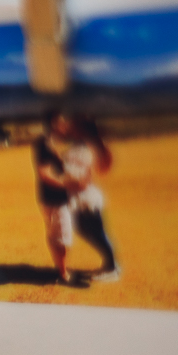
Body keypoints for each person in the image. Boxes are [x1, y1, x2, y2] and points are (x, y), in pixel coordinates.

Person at [64, 115, 120, 281]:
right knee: (84, 229)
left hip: (86, 196)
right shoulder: (80, 145)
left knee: (97, 232)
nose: (70, 130)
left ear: (82, 129)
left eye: (74, 127)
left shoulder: (86, 147)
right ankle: (110, 265)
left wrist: (65, 179)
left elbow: (86, 174)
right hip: (79, 195)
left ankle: (112, 268)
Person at [34, 109, 76, 283]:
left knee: (57, 234)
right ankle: (63, 273)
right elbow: (44, 174)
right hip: (53, 198)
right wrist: (69, 184)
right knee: (60, 236)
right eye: (62, 122)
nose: (66, 125)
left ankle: (61, 269)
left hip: (61, 197)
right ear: (53, 124)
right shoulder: (43, 143)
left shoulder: (63, 143)